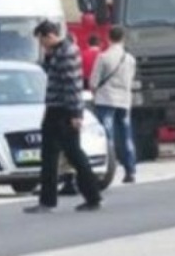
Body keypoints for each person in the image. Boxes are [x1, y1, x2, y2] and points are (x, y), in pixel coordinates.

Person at [25, 21, 102, 214]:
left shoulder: (67, 52)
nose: (41, 45)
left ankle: (92, 196)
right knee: (49, 156)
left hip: (65, 111)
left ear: (49, 36)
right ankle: (47, 200)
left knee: (74, 154)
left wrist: (76, 114)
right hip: (54, 109)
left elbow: (72, 85)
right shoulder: (57, 52)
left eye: (42, 40)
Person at [91, 25, 138, 184]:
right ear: (123, 38)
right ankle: (130, 170)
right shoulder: (130, 59)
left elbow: (93, 81)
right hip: (124, 100)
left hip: (106, 99)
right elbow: (130, 79)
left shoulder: (103, 57)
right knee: (126, 135)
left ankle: (109, 168)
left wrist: (94, 91)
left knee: (108, 135)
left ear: (108, 38)